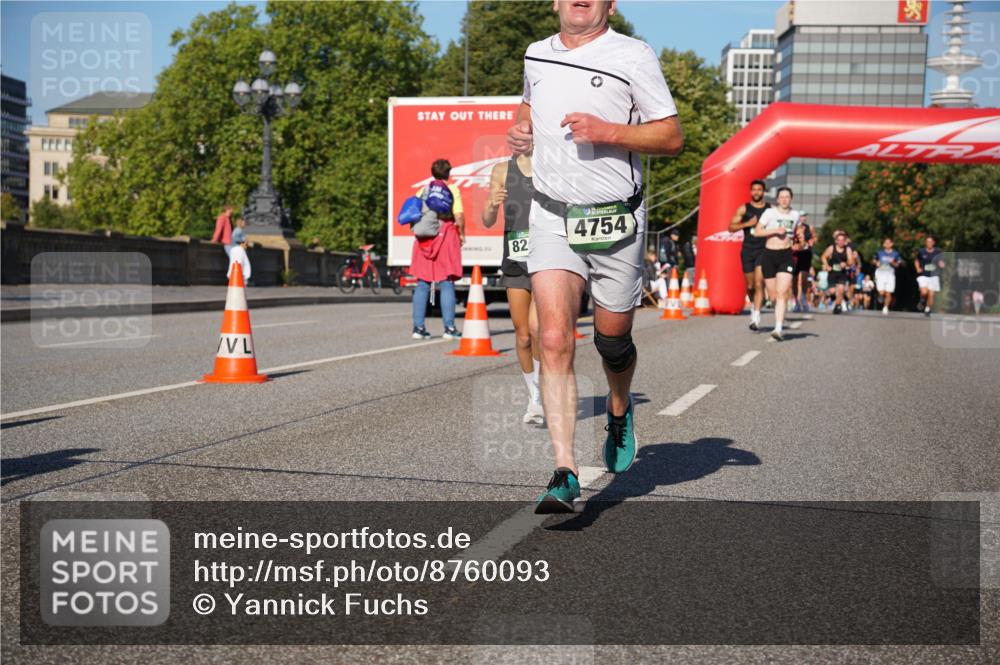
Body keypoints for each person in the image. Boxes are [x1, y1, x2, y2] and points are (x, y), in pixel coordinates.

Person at [508, 0, 683, 513]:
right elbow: (527, 110)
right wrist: (521, 129)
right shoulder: (536, 55)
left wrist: (611, 132)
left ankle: (620, 406)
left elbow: (671, 136)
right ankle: (564, 471)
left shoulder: (633, 55)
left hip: (616, 219)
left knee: (613, 341)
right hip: (552, 215)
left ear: (610, 4)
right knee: (554, 337)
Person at [483, 150, 544, 425]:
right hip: (515, 256)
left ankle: (543, 395)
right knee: (523, 336)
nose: (524, 139)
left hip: (546, 256)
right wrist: (493, 206)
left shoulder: (550, 165)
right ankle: (533, 397)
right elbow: (486, 219)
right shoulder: (501, 170)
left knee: (538, 330)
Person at [410, 159, 465, 340]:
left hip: (424, 238)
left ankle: (418, 328)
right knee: (446, 281)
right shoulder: (452, 190)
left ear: (432, 172)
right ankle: (449, 329)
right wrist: (462, 234)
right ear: (448, 173)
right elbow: (458, 215)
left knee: (423, 282)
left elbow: (414, 212)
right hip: (445, 235)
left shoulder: (423, 190)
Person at [754, 186, 799, 341]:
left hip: (786, 255)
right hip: (769, 255)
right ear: (778, 199)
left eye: (787, 197)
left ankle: (778, 328)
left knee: (782, 293)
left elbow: (794, 234)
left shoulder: (795, 215)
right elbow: (757, 231)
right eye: (782, 197)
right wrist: (774, 231)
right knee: (773, 296)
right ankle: (776, 317)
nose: (785, 199)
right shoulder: (770, 213)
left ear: (791, 199)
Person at [728, 179, 769, 331]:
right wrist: (747, 224)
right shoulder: (744, 209)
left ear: (763, 192)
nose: (757, 192)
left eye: (759, 189)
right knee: (751, 285)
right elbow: (730, 227)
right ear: (751, 192)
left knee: (759, 283)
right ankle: (754, 302)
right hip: (748, 250)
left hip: (763, 250)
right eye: (754, 189)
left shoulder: (770, 210)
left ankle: (756, 316)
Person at [821, 230, 856, 314]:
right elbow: (823, 257)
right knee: (832, 291)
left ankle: (837, 306)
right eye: (839, 240)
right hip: (832, 272)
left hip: (842, 273)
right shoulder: (831, 248)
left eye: (842, 240)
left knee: (841, 290)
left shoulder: (848, 250)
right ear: (836, 241)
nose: (840, 242)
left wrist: (846, 263)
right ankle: (830, 297)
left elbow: (852, 261)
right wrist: (826, 265)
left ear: (845, 241)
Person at [916, 235, 945, 317]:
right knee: (924, 292)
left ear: (933, 243)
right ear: (925, 243)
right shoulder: (921, 251)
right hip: (923, 275)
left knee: (931, 295)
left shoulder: (938, 251)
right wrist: (918, 268)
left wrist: (941, 264)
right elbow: (917, 260)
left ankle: (928, 309)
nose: (929, 243)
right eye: (927, 242)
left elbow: (940, 261)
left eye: (930, 242)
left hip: (934, 276)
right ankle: (922, 300)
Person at [791, 212, 813, 312]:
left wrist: (811, 242)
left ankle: (803, 297)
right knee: (794, 279)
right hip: (795, 254)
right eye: (801, 216)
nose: (802, 218)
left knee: (803, 278)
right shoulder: (793, 227)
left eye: (804, 216)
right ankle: (796, 301)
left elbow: (814, 238)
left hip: (805, 254)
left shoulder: (810, 227)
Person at [873, 237, 901, 315]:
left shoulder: (895, 253)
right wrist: (876, 263)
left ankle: (885, 307)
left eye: (889, 243)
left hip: (890, 275)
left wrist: (893, 263)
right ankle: (880, 296)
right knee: (882, 292)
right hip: (880, 274)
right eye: (886, 243)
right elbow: (874, 260)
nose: (887, 244)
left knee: (889, 293)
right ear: (883, 244)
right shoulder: (879, 252)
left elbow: (898, 264)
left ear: (892, 244)